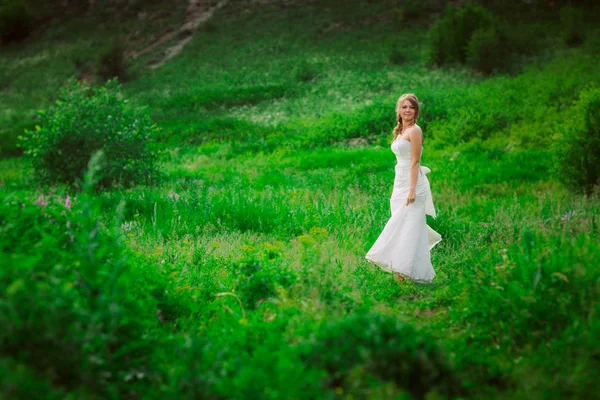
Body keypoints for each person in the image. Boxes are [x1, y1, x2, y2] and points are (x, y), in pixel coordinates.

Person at [365, 93, 442, 283]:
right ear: (399, 110)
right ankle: (401, 270)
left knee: (408, 226)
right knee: (401, 224)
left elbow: (415, 161)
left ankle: (405, 271)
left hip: (412, 183)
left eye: (411, 107)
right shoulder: (400, 130)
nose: (408, 110)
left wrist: (412, 190)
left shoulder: (415, 130)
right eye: (404, 107)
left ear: (416, 111)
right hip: (399, 182)